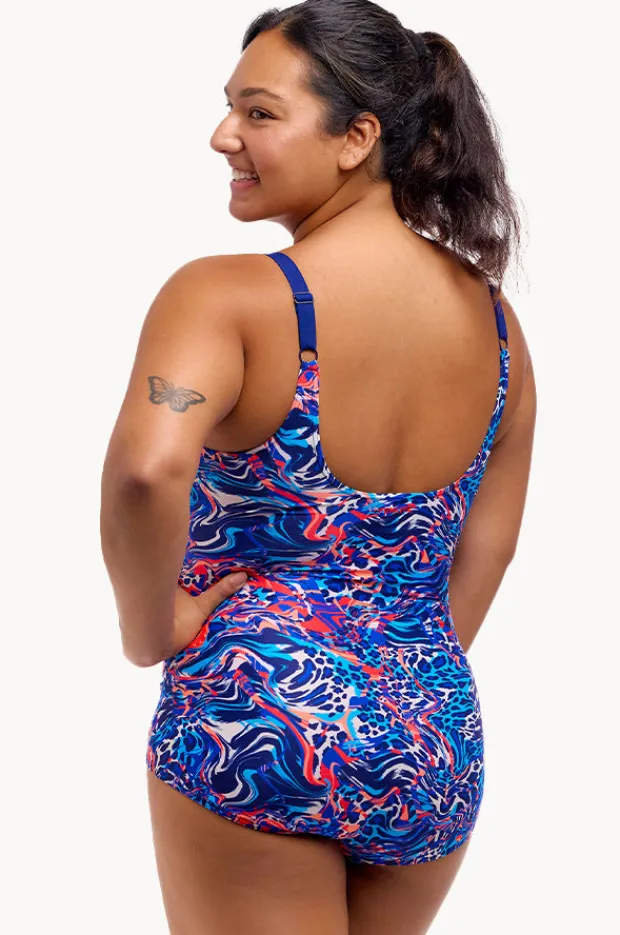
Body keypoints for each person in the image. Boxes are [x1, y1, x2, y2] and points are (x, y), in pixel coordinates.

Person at [100, 1, 536, 932]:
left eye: (259, 112)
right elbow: (489, 548)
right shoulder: (499, 328)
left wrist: (151, 629)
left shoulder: (227, 297)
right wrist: (393, 675)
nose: (224, 135)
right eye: (230, 107)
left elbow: (145, 470)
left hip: (258, 714)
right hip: (431, 734)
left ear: (357, 138)